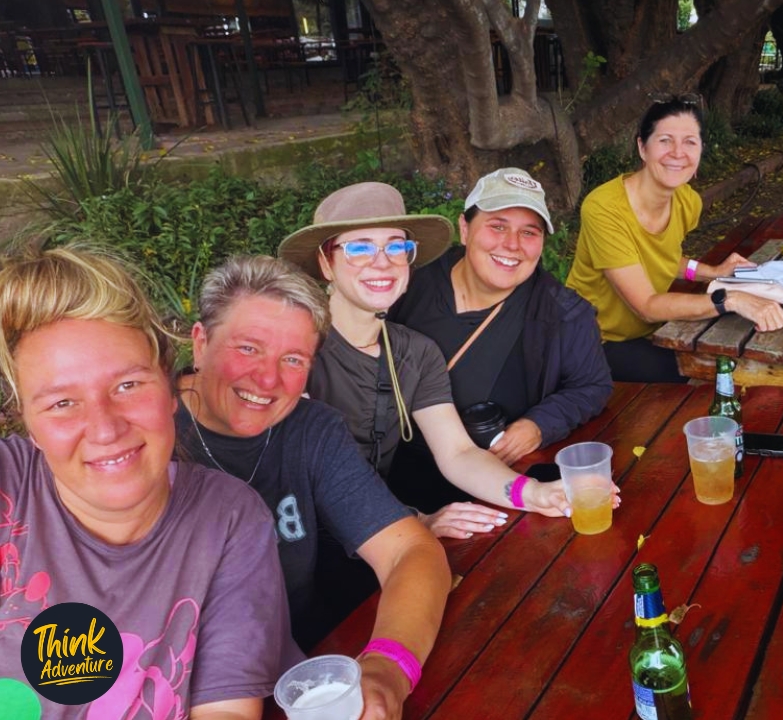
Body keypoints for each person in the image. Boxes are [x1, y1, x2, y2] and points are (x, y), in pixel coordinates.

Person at [0, 247, 296, 720]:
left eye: (128, 385)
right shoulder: (9, 488)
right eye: (61, 403)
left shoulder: (227, 519)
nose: (105, 429)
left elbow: (227, 712)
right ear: (29, 426)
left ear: (171, 387)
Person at [177, 255, 452, 714]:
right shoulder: (141, 436)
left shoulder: (310, 429)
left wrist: (388, 668)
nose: (268, 379)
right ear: (201, 343)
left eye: (292, 359)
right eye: (248, 348)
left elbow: (411, 551)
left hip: (300, 675)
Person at [388, 169, 612, 471]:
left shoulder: (564, 314)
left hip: (492, 476)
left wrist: (539, 425)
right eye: (497, 226)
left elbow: (592, 385)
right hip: (393, 467)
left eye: (529, 232)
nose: (512, 244)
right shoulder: (407, 287)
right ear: (465, 229)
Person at [567, 95, 783, 382]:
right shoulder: (604, 209)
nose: (678, 153)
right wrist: (730, 299)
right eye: (665, 140)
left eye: (690, 142)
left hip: (653, 330)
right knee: (719, 372)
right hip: (594, 341)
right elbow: (646, 306)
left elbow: (663, 258)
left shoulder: (687, 201)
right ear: (642, 147)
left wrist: (712, 272)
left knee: (746, 351)